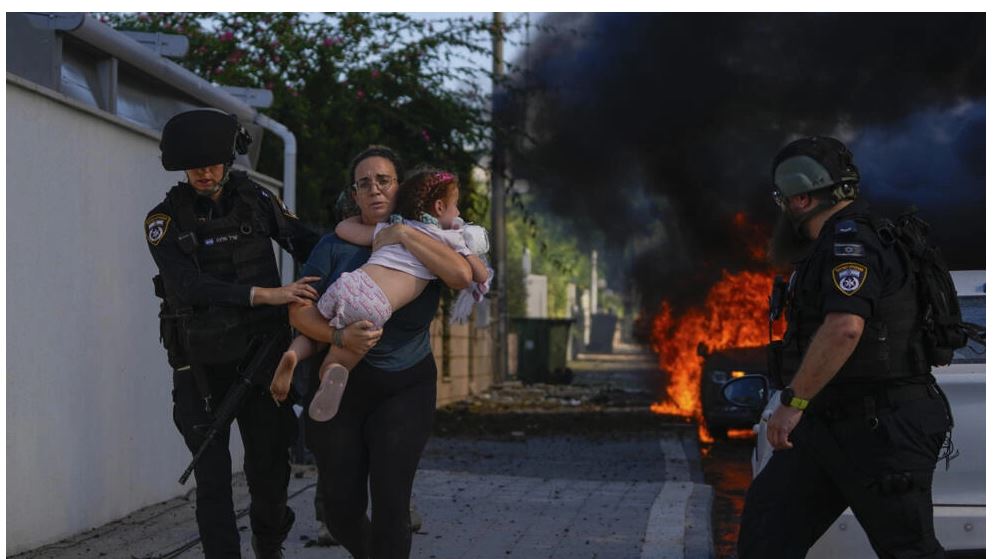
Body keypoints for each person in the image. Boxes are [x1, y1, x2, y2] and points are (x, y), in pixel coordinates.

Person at [737, 136, 952, 558]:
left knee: (909, 550)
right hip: (828, 425)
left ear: (801, 198)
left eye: (783, 199)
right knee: (766, 537)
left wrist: (793, 403)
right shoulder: (839, 242)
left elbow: (844, 329)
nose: (782, 209)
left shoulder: (850, 244)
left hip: (881, 428)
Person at [146, 108, 323, 559]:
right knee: (213, 479)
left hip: (262, 358)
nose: (204, 173)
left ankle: (269, 543)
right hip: (200, 366)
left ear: (228, 160)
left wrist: (363, 254)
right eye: (194, 166)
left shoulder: (257, 201)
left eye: (211, 163)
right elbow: (189, 286)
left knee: (269, 471)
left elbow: (306, 244)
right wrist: (264, 295)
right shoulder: (164, 220)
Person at [290, 146, 473, 559]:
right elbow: (299, 311)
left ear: (400, 188)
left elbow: (462, 276)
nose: (374, 189)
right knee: (340, 510)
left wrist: (404, 234)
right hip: (340, 384)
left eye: (383, 181)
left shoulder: (428, 238)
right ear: (354, 194)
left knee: (392, 503)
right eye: (364, 183)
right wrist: (339, 337)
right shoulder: (333, 245)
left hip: (405, 386)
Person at [269, 169, 491, 421]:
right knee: (343, 354)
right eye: (456, 206)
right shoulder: (449, 240)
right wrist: (469, 248)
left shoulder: (394, 226)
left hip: (350, 283)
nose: (459, 213)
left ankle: (293, 355)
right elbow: (479, 275)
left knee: (317, 331)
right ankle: (331, 371)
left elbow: (344, 228)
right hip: (375, 305)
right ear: (440, 207)